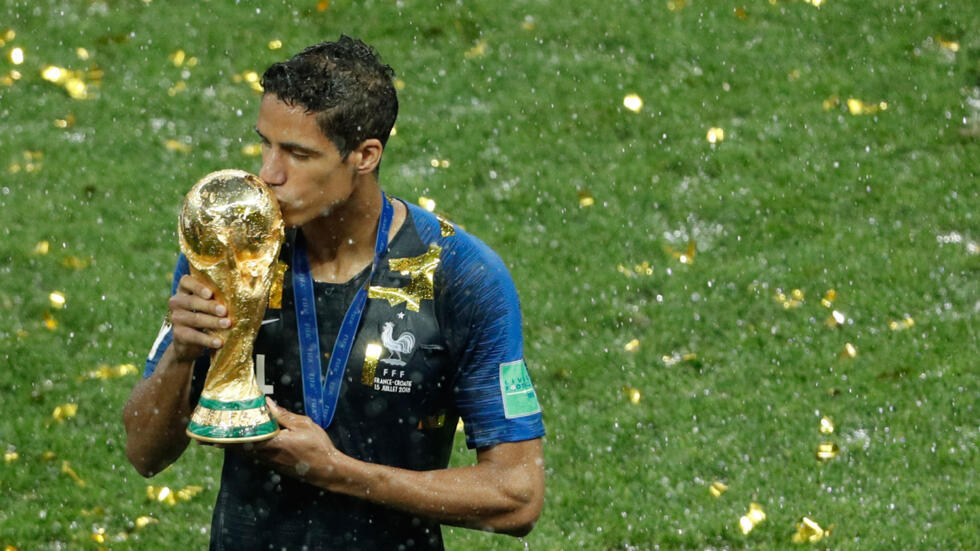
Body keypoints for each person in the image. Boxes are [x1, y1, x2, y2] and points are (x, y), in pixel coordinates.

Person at [123, 35, 545, 550]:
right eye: (265, 144)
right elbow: (144, 453)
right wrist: (180, 357)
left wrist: (337, 471)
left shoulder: (459, 276)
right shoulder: (232, 250)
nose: (268, 175)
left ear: (365, 155)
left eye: (299, 154)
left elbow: (517, 496)